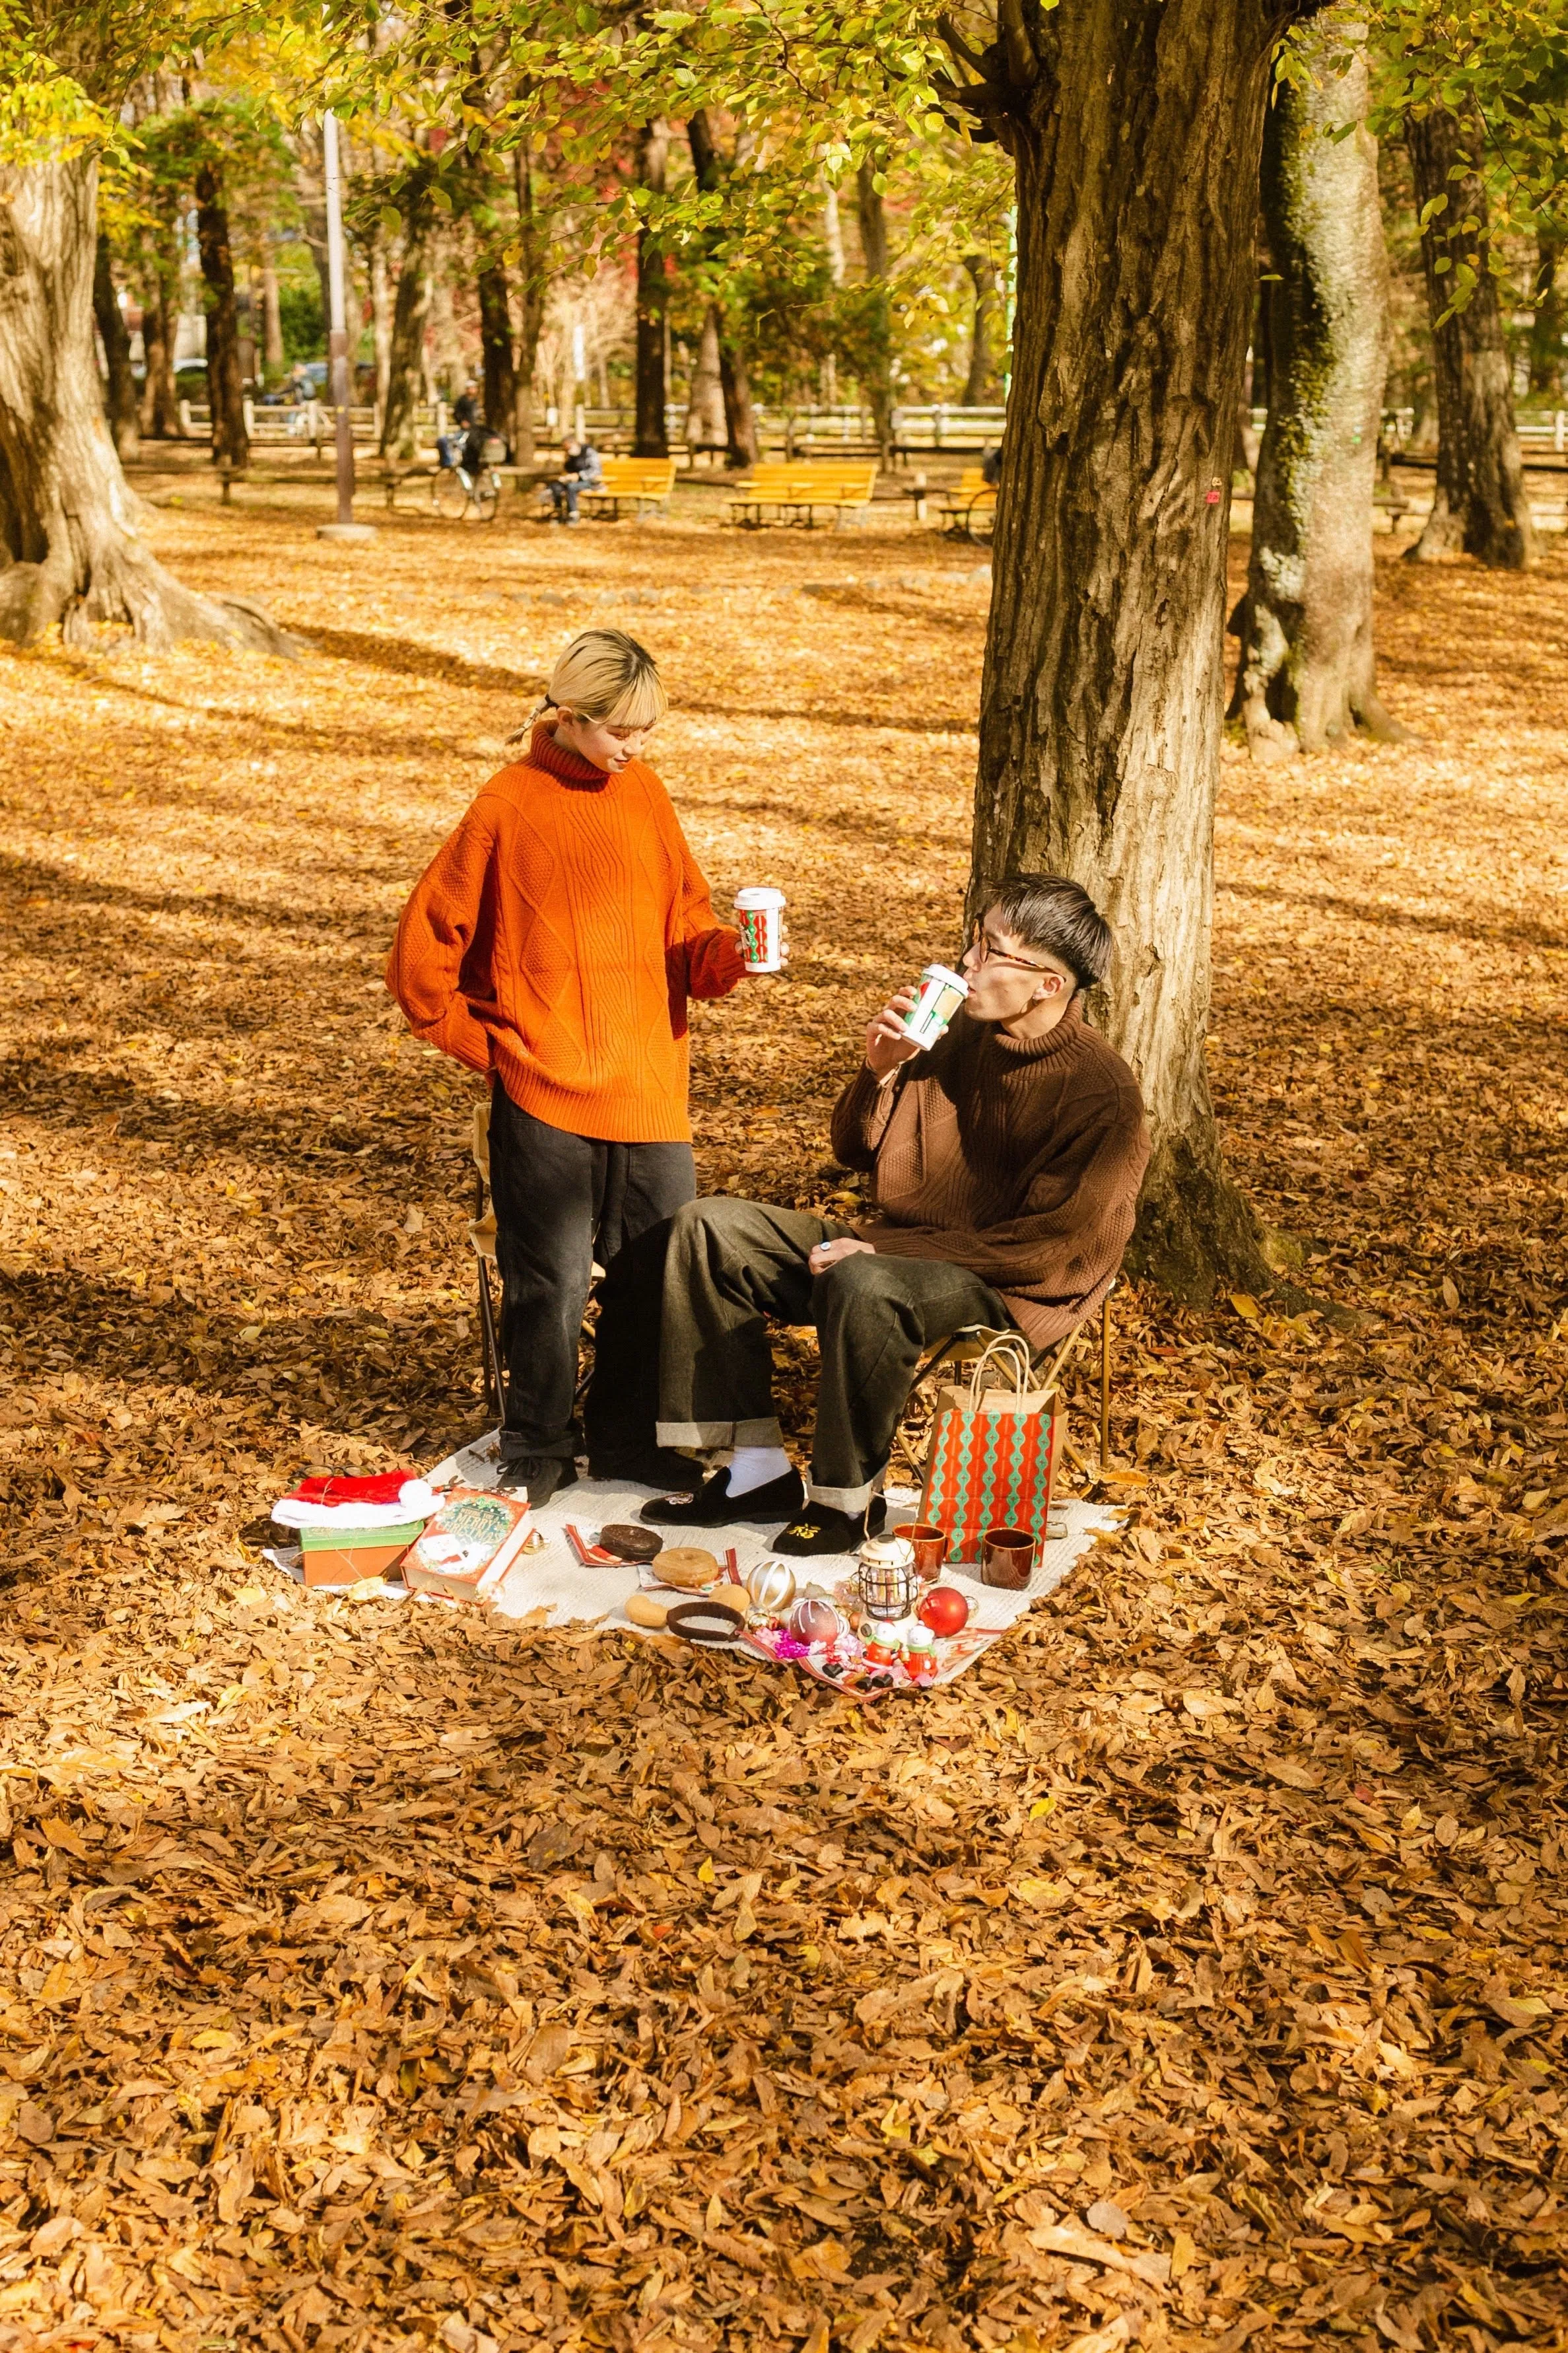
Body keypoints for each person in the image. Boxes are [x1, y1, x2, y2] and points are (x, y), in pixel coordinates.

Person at [585, 875, 1150, 1555]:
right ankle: (751, 1472)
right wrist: (877, 1070)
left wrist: (884, 1257)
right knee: (709, 1226)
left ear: (1047, 985)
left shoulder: (1101, 1093)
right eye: (972, 942)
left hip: (1002, 1279)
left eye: (990, 950)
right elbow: (854, 1147)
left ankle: (846, 1503)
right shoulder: (951, 1033)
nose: (967, 962)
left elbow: (1055, 1248)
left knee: (863, 1282)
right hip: (896, 1246)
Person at [386, 631, 753, 1504]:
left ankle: (630, 1443)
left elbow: (686, 940)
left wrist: (732, 956)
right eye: (620, 729)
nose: (634, 746)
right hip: (543, 1092)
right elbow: (419, 965)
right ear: (570, 716)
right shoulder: (506, 805)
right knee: (547, 1285)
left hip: (648, 1092)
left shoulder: (648, 797)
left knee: (652, 1280)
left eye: (648, 730)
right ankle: (538, 1447)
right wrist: (498, 1055)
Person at [548, 437, 603, 524]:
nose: (567, 450)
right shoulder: (570, 455)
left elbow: (597, 470)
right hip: (572, 480)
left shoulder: (588, 452)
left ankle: (573, 515)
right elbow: (567, 469)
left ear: (573, 444)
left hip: (590, 481)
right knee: (555, 486)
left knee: (571, 487)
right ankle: (558, 513)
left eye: (568, 448)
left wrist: (580, 476)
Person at [438, 380, 481, 470]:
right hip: (465, 430)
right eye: (471, 388)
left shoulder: (475, 401)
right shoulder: (462, 400)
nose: (473, 390)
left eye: (474, 388)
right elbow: (456, 413)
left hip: (473, 430)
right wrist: (462, 421)